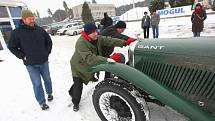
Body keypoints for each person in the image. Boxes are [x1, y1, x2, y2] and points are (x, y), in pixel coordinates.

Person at [68, 22, 135, 112]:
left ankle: (71, 91)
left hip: (87, 64)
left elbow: (109, 40)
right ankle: (75, 103)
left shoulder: (97, 38)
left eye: (96, 31)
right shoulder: (81, 43)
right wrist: (107, 59)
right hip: (78, 66)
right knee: (78, 85)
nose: (96, 33)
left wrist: (125, 42)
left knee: (82, 81)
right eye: (93, 32)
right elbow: (90, 58)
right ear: (87, 33)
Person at [8, 9, 53, 110]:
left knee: (47, 79)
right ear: (23, 19)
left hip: (44, 62)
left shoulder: (40, 30)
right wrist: (22, 56)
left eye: (33, 18)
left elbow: (49, 42)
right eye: (30, 19)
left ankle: (49, 93)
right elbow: (11, 46)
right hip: (31, 64)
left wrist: (47, 52)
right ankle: (42, 102)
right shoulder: (16, 33)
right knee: (37, 83)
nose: (32, 20)